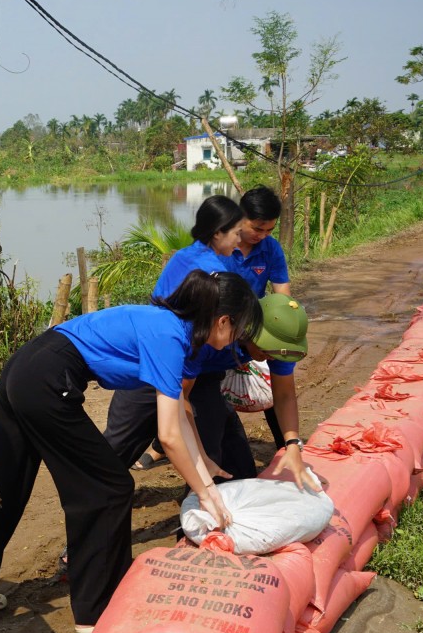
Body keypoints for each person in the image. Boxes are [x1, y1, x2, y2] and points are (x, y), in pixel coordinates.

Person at [0, 271, 261, 633]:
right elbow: (168, 436)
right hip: (47, 377)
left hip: (25, 366)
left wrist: (205, 472)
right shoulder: (170, 335)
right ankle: (95, 612)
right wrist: (205, 494)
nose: (236, 341)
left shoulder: (180, 334)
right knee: (107, 488)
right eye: (238, 331)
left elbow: (179, 415)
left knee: (5, 487)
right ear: (223, 321)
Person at [104, 292, 320, 492]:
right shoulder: (210, 336)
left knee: (235, 470)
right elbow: (182, 398)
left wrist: (292, 444)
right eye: (267, 351)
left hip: (203, 378)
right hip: (153, 373)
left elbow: (284, 395)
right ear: (251, 331)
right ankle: (93, 493)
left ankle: (199, 517)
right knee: (117, 449)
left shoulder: (276, 349)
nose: (271, 359)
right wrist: (193, 453)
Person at [115, 194, 243, 470]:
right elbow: (199, 330)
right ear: (218, 232)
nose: (239, 240)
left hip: (173, 355)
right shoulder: (213, 272)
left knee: (211, 431)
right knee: (141, 434)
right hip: (176, 358)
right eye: (236, 233)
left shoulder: (188, 254)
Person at [232, 185, 292, 449]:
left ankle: (288, 447)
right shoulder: (219, 247)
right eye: (257, 228)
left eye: (269, 230)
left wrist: (284, 329)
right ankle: (161, 444)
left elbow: (282, 297)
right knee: (199, 390)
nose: (263, 236)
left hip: (252, 325)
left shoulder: (270, 248)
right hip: (217, 327)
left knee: (276, 378)